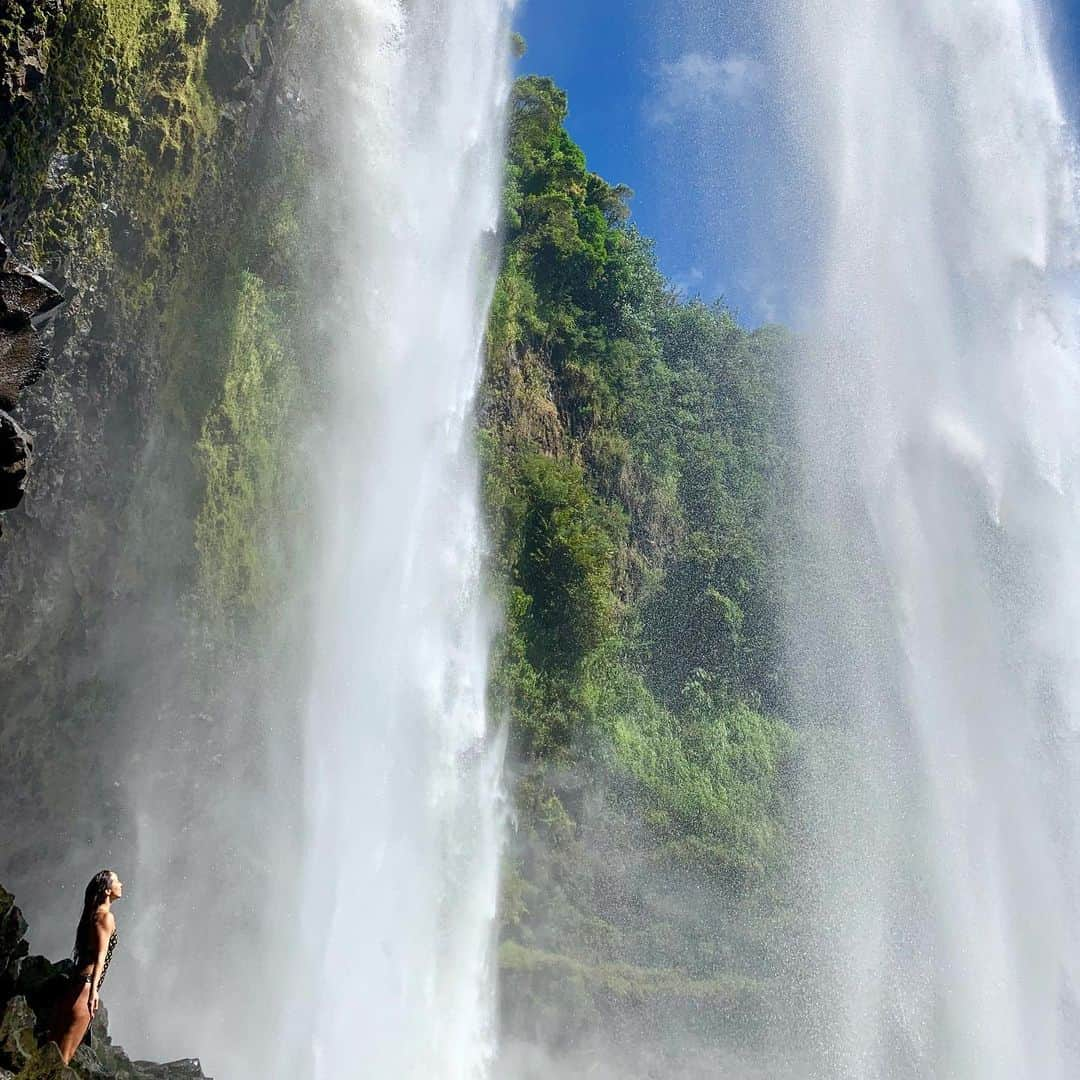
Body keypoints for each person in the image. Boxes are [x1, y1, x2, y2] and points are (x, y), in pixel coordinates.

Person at [50, 869, 123, 1063]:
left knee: (55, 1054)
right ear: (107, 890)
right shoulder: (106, 917)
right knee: (62, 1060)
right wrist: (93, 994)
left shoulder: (92, 915)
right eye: (117, 881)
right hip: (85, 989)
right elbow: (101, 956)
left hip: (76, 986)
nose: (121, 884)